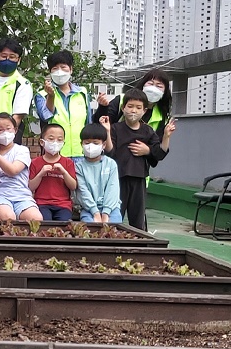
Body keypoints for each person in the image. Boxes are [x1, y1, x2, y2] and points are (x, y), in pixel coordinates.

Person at [108, 89, 175, 230]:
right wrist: (107, 132)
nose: (134, 111)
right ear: (123, 108)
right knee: (114, 216)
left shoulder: (148, 131)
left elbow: (159, 154)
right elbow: (109, 152)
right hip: (117, 179)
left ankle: (140, 246)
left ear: (144, 111)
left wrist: (166, 136)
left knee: (137, 219)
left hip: (139, 179)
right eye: (130, 106)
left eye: (138, 108)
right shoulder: (115, 129)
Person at [35, 50, 92, 169]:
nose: (59, 71)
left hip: (81, 153)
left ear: (71, 69)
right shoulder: (42, 95)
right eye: (55, 68)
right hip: (55, 154)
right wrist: (51, 96)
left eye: (63, 67)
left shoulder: (82, 93)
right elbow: (46, 116)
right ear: (50, 72)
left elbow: (88, 123)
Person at [0, 113, 42, 221]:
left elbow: (13, 170)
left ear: (15, 130)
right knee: (8, 218)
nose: (5, 133)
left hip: (22, 195)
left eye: (8, 129)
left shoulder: (22, 150)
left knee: (36, 218)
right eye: (0, 130)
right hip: (0, 196)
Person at [95, 68, 174, 141]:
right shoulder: (121, 100)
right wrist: (103, 107)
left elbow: (158, 147)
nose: (153, 89)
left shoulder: (162, 117)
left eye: (159, 86)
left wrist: (148, 150)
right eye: (150, 83)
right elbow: (99, 125)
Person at [0, 38, 33, 144]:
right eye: (3, 56)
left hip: (5, 140)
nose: (7, 60)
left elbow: (17, 118)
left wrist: (0, 136)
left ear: (19, 60)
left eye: (12, 57)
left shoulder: (22, 84)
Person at [28, 123, 77, 221]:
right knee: (45, 223)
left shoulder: (68, 163)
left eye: (59, 140)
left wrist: (64, 172)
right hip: (42, 204)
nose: (55, 142)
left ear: (64, 143)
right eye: (51, 139)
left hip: (63, 205)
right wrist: (41, 173)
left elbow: (73, 186)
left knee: (64, 225)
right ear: (42, 142)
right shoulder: (35, 162)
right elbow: (31, 187)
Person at [75, 123, 122, 224]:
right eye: (87, 143)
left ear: (103, 145)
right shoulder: (78, 167)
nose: (91, 146)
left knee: (115, 230)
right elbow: (83, 191)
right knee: (89, 231)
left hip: (112, 209)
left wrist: (106, 213)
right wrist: (95, 212)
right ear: (81, 144)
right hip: (88, 210)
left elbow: (112, 189)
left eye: (95, 143)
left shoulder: (111, 164)